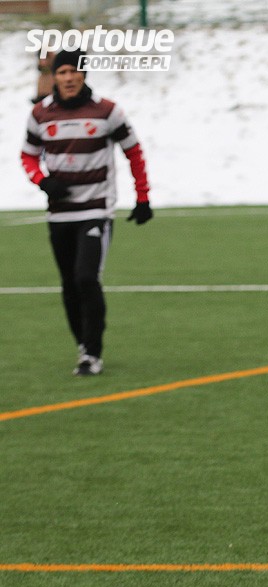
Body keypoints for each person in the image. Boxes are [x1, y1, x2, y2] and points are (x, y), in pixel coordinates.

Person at [20, 48, 153, 376]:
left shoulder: (107, 111)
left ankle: (93, 353)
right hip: (59, 213)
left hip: (96, 209)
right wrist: (43, 181)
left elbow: (134, 152)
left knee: (86, 278)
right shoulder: (40, 113)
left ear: (84, 75)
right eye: (62, 72)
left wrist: (142, 197)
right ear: (55, 77)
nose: (68, 78)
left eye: (74, 72)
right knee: (69, 283)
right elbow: (28, 156)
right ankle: (82, 346)